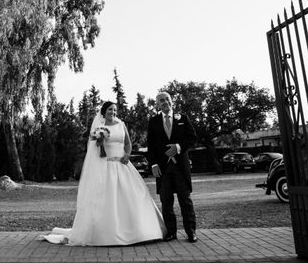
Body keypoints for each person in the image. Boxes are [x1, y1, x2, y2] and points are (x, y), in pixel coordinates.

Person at [44, 101, 165, 246]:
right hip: (106, 167)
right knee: (107, 199)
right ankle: (107, 234)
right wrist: (99, 143)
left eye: (114, 110)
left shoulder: (121, 124)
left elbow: (128, 143)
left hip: (123, 165)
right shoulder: (99, 128)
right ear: (104, 112)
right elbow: (94, 151)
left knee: (136, 195)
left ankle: (143, 232)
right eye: (109, 110)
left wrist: (127, 154)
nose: (113, 112)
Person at [147, 90, 198, 243]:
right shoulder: (153, 121)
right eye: (161, 100)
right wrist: (154, 164)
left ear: (171, 100)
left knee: (185, 200)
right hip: (163, 169)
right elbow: (151, 145)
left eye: (167, 99)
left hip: (180, 168)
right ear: (157, 104)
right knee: (166, 201)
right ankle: (171, 232)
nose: (165, 102)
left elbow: (192, 138)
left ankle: (191, 232)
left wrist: (178, 146)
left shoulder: (183, 118)